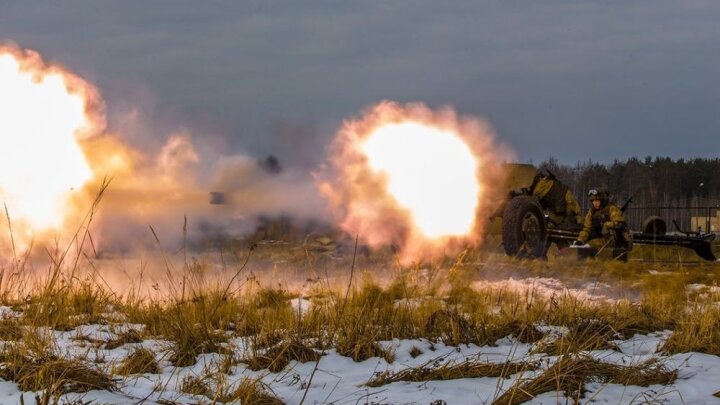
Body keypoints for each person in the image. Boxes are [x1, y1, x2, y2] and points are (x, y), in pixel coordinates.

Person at [573, 188, 633, 261]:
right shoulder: (591, 213)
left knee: (590, 245)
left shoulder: (611, 209)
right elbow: (586, 229)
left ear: (602, 200)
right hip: (599, 238)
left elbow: (619, 223)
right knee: (585, 245)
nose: (595, 203)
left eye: (597, 201)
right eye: (593, 201)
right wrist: (580, 240)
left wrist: (607, 225)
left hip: (612, 240)